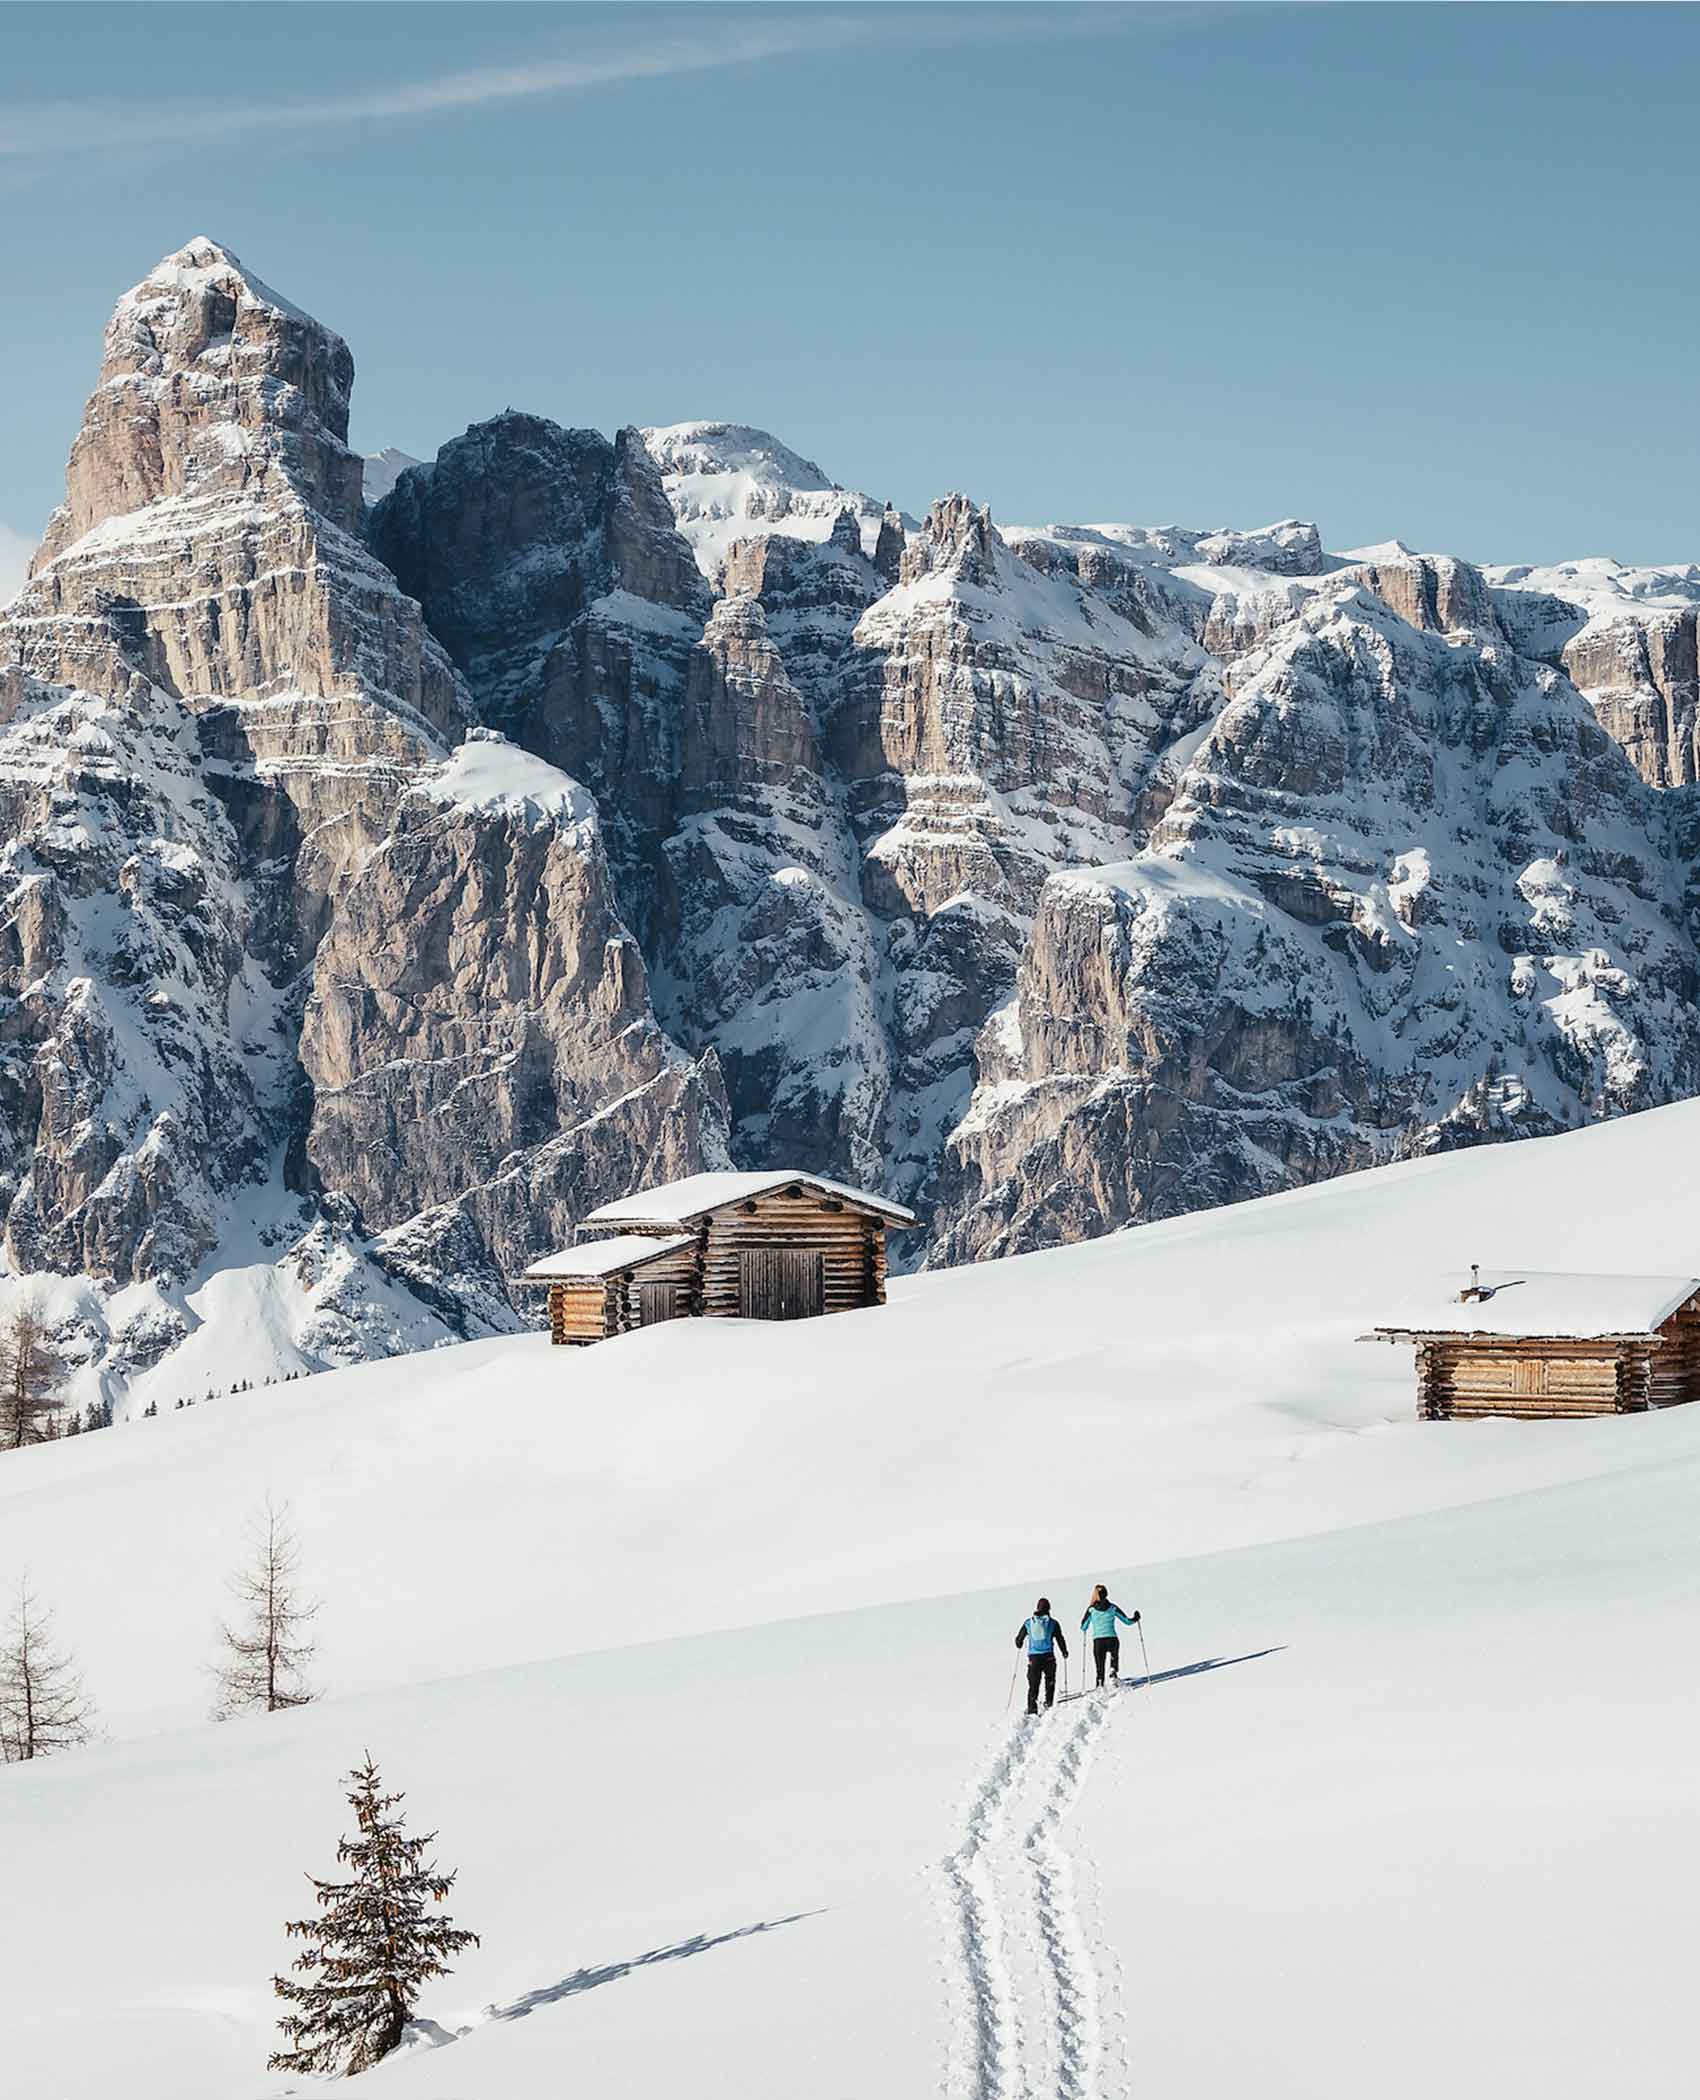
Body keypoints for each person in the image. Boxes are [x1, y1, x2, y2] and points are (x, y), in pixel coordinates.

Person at [1014, 1596, 1069, 1715]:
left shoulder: (1029, 1622)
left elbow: (1019, 1640)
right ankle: (1048, 1703)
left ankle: (1032, 1709)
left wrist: (1019, 1643)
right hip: (1049, 1657)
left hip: (1034, 1658)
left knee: (1033, 1685)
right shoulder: (1053, 1623)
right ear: (1049, 1609)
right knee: (1050, 1681)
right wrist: (1064, 1651)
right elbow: (1060, 1638)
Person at [1079, 1583, 1139, 1689]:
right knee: (1114, 1658)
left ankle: (1100, 1686)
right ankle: (1113, 1671)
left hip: (1098, 1641)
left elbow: (1083, 1627)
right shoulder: (1112, 1607)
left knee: (1099, 1667)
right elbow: (1127, 1621)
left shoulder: (1091, 1609)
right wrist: (1135, 1618)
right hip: (1112, 1639)